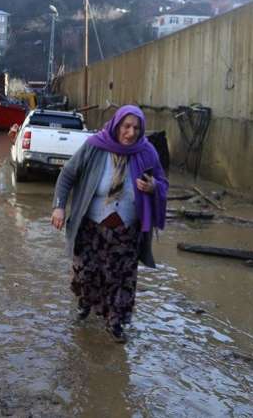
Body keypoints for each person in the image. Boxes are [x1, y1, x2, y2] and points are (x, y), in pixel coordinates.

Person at [51, 105, 168, 343]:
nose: (131, 132)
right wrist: (59, 206)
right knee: (86, 275)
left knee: (122, 278)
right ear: (116, 125)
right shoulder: (95, 147)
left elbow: (163, 183)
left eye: (136, 128)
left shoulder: (147, 152)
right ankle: (85, 305)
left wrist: (154, 186)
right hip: (91, 227)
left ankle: (115, 323)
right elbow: (67, 175)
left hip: (127, 230)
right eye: (126, 126)